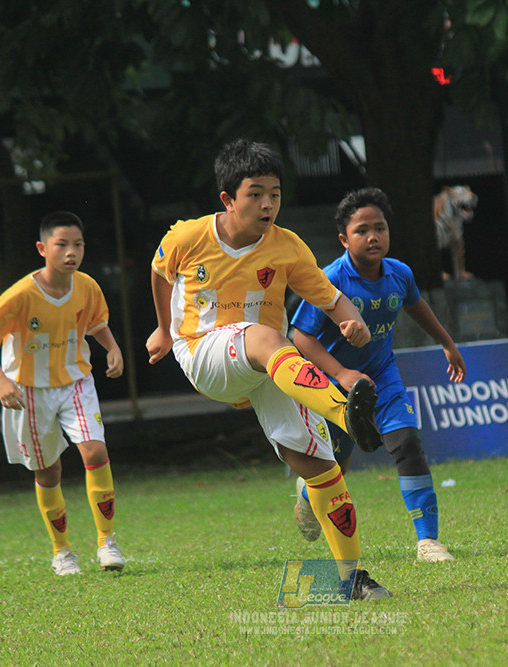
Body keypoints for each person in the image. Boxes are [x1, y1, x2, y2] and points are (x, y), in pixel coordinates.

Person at [145, 139, 391, 600]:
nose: (267, 204)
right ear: (228, 199)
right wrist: (162, 330)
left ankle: (352, 579)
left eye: (275, 193)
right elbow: (160, 272)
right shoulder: (188, 237)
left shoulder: (287, 247)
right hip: (203, 354)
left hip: (272, 365)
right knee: (262, 335)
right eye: (255, 193)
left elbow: (328, 296)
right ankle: (344, 413)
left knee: (320, 466)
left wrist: (349, 319)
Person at [291, 187, 467, 563]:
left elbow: (416, 307)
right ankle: (307, 495)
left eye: (380, 228)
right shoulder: (328, 280)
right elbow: (300, 335)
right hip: (333, 384)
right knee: (334, 466)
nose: (373, 236)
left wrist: (447, 344)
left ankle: (428, 541)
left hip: (382, 375)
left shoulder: (399, 273)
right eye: (362, 230)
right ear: (343, 239)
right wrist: (341, 373)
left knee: (406, 444)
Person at [0, 211, 126, 576]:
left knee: (95, 449)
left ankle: (107, 542)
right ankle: (62, 551)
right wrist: (0, 381)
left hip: (75, 382)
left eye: (78, 245)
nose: (72, 252)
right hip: (30, 391)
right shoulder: (21, 294)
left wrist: (112, 347)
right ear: (42, 248)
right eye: (62, 245)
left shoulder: (86, 286)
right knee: (48, 469)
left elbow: (96, 322)